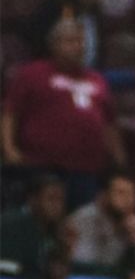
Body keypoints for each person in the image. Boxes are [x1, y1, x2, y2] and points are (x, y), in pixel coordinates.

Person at [2, 19, 126, 209]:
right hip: (40, 166)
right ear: (54, 45)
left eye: (81, 42)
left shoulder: (97, 80)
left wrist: (120, 161)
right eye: (71, 41)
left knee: (80, 220)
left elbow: (109, 124)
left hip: (86, 170)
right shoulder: (32, 73)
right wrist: (9, 148)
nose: (78, 47)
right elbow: (10, 113)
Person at [68, 169, 135, 279]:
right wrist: (125, 275)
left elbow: (134, 272)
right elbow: (80, 268)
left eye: (132, 194)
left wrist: (133, 245)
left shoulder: (132, 223)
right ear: (103, 196)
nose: (128, 200)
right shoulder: (85, 219)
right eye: (120, 193)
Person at [0, 174, 73, 279]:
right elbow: (6, 267)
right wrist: (42, 276)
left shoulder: (54, 228)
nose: (57, 205)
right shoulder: (11, 223)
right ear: (33, 199)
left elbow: (58, 272)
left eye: (61, 200)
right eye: (51, 199)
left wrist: (66, 248)